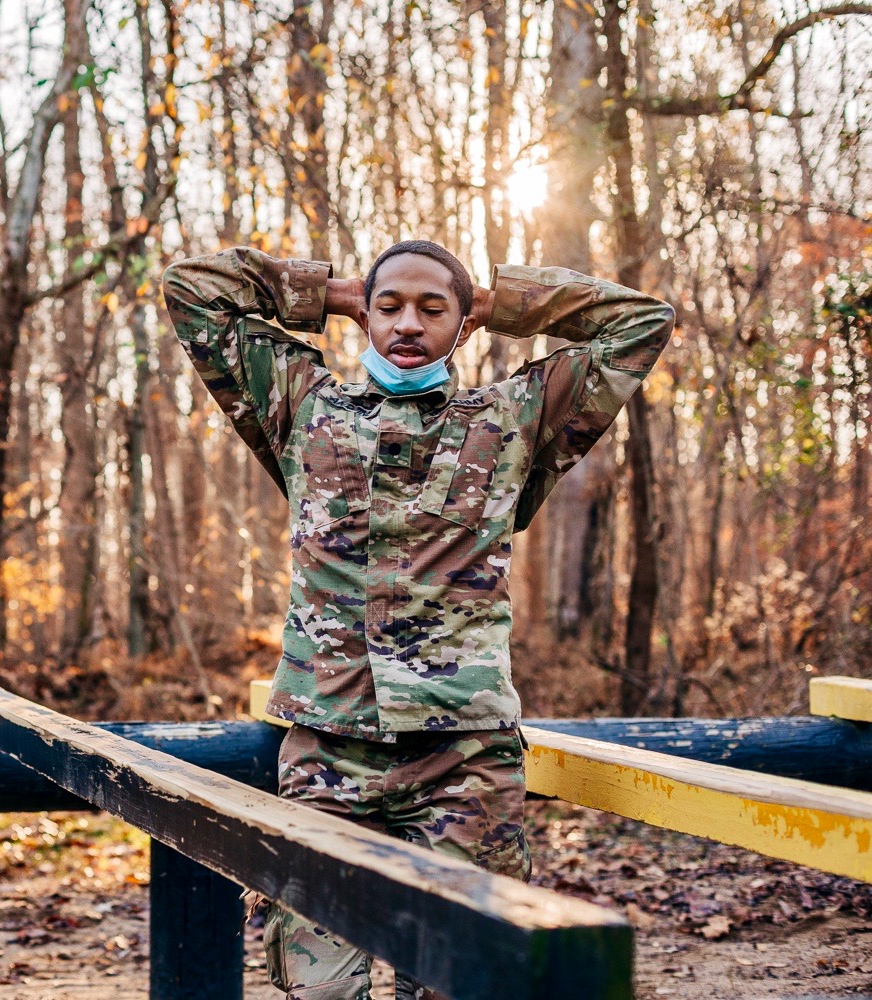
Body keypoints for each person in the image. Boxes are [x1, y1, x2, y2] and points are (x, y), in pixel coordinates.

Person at [160, 241, 674, 1000]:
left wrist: (498, 302)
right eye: (390, 307)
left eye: (433, 310)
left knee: (459, 985)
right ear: (364, 316)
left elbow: (641, 323)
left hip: (463, 760)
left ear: (463, 328)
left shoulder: (515, 418)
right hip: (330, 753)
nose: (408, 324)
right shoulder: (304, 405)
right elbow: (192, 290)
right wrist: (333, 292)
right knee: (322, 990)